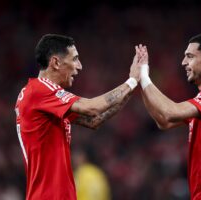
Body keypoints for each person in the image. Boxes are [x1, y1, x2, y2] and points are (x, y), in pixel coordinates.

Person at [14, 34, 141, 199]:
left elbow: (94, 121)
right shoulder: (39, 91)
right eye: (74, 59)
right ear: (56, 62)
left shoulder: (46, 99)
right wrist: (131, 81)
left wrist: (131, 88)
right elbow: (93, 108)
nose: (79, 66)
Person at [136, 32, 201, 199]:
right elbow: (163, 121)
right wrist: (140, 81)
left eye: (190, 56)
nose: (183, 62)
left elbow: (169, 112)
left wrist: (144, 76)